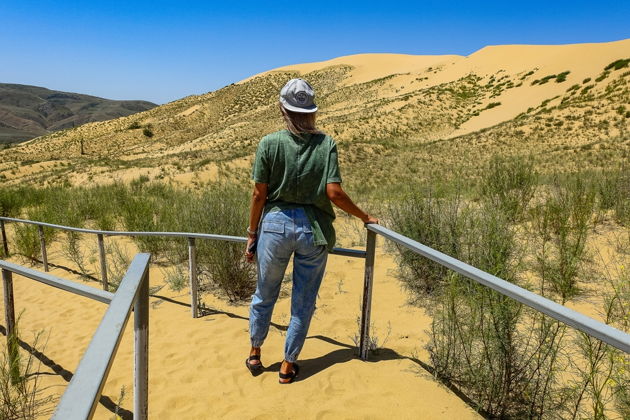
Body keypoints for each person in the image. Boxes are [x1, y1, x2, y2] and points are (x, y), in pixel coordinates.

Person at [245, 78, 378, 384]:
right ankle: (288, 366)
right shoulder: (326, 144)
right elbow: (335, 193)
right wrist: (364, 216)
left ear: (283, 109)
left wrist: (252, 234)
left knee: (264, 293)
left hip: (275, 226)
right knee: (303, 301)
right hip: (312, 229)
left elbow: (258, 195)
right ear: (312, 112)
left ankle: (255, 353)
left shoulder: (268, 143)